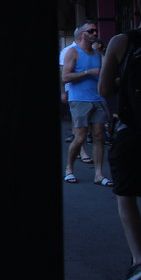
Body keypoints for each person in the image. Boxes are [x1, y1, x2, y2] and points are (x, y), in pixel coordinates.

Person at [98, 0, 141, 280]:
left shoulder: (122, 41)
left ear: (138, 9)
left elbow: (104, 89)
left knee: (126, 195)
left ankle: (139, 261)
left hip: (131, 131)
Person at [62, 21, 112, 186]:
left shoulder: (97, 53)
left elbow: (107, 72)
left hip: (98, 98)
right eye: (91, 31)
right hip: (80, 99)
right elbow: (66, 77)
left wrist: (101, 53)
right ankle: (69, 169)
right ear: (82, 34)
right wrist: (87, 72)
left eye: (96, 31)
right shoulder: (72, 52)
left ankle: (98, 174)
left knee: (99, 136)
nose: (95, 34)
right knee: (80, 137)